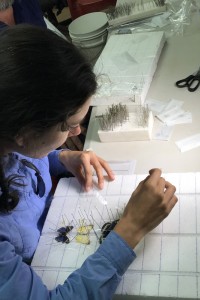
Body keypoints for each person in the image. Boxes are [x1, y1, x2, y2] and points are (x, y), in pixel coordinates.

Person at [0, 24, 178, 299]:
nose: (77, 133)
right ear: (24, 131)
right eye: (69, 126)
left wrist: (63, 157)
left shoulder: (9, 128)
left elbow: (22, 154)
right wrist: (132, 228)